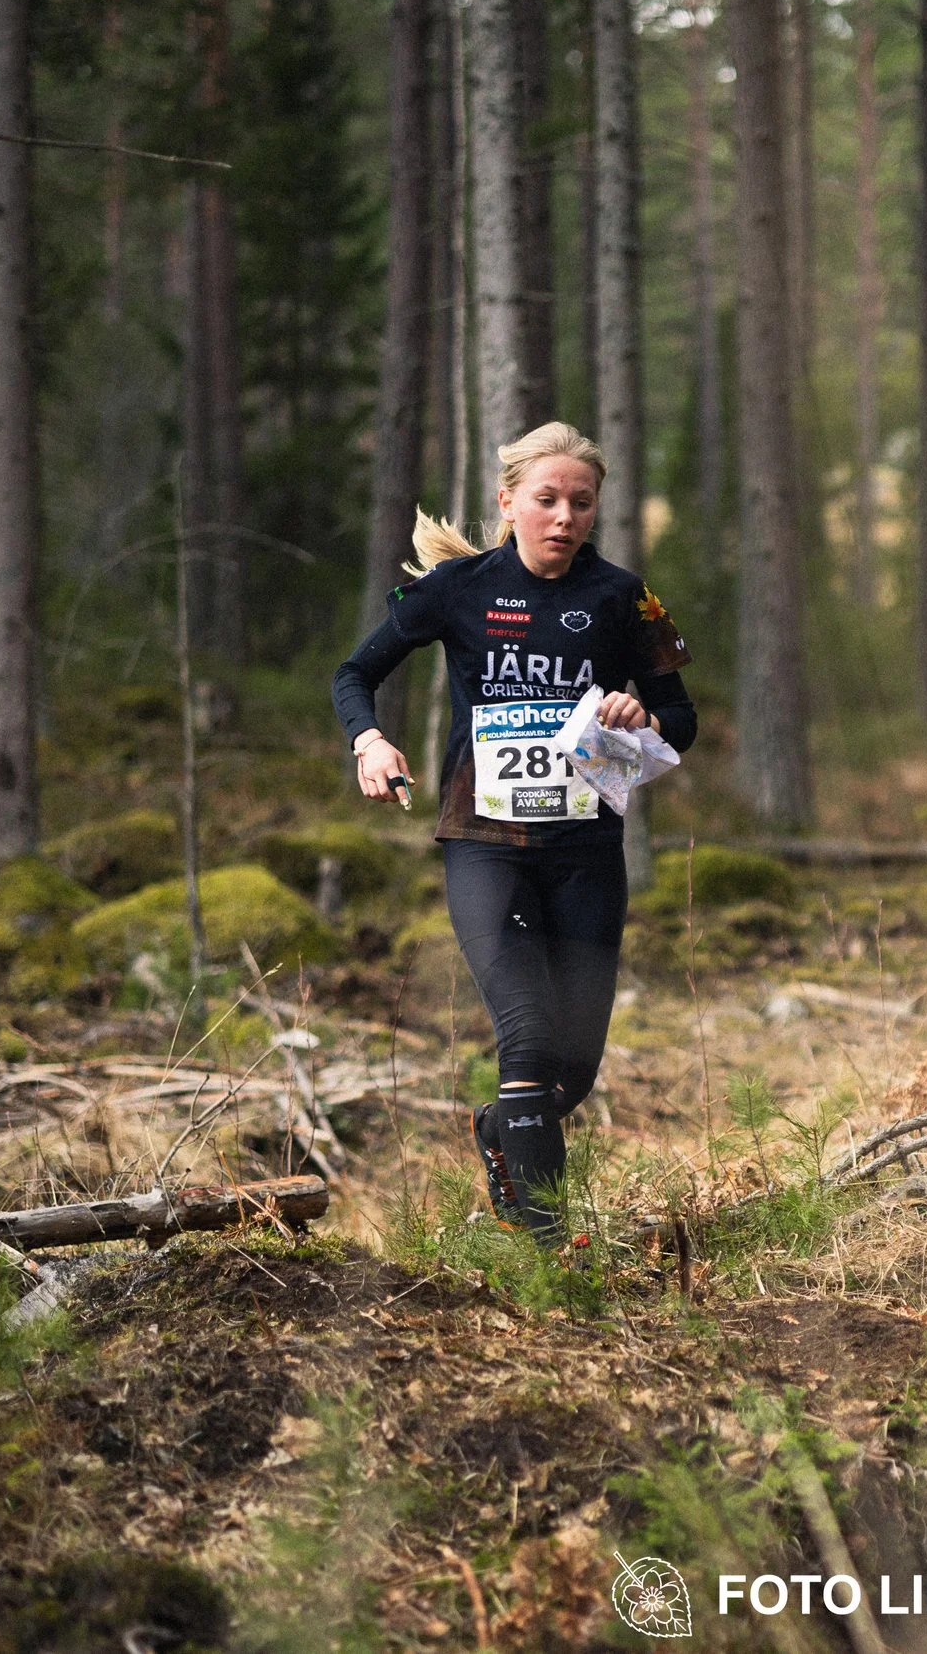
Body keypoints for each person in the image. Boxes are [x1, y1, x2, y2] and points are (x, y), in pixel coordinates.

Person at [332, 422, 695, 1241]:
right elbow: (354, 672)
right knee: (526, 1038)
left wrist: (641, 713)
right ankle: (548, 1247)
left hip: (587, 853)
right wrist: (369, 738)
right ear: (509, 502)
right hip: (484, 842)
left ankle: (503, 1131)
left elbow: (682, 718)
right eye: (546, 500)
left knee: (570, 1071)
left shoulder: (624, 595)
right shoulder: (459, 587)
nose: (564, 517)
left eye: (581, 502)